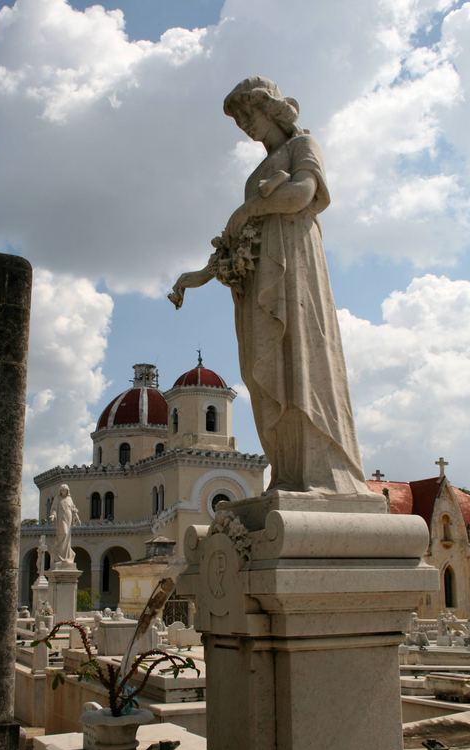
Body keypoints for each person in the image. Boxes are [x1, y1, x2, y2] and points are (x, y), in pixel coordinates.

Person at [169, 76, 369, 493]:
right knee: (265, 373)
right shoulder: (256, 172)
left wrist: (251, 210)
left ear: (271, 108)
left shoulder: (303, 147)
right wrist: (198, 277)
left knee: (300, 360)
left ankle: (320, 474)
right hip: (259, 277)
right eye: (239, 119)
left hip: (293, 263)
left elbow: (301, 195)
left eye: (249, 114)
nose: (245, 124)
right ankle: (288, 472)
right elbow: (234, 244)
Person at [49, 483, 80, 567]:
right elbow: (54, 509)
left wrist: (76, 517)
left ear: (67, 491)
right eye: (62, 490)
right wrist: (53, 515)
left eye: (65, 490)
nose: (63, 491)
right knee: (64, 533)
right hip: (61, 519)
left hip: (68, 518)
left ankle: (66, 557)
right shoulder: (57, 498)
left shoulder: (69, 498)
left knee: (67, 537)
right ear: (60, 491)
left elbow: (73, 509)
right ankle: (59, 555)